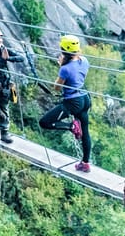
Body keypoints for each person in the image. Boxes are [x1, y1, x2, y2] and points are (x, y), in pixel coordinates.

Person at [38, 34, 92, 172]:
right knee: (85, 132)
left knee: (44, 122)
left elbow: (56, 87)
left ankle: (71, 127)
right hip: (85, 99)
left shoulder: (65, 69)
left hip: (73, 102)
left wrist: (62, 66)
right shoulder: (84, 61)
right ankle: (85, 163)